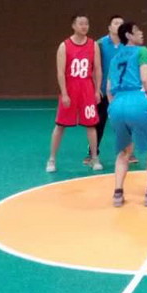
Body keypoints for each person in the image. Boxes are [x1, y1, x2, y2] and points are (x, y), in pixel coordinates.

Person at [106, 22, 147, 206]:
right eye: (137, 31)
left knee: (124, 151)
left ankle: (117, 194)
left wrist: (113, 109)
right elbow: (145, 79)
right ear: (129, 36)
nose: (141, 33)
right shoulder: (141, 51)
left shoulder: (115, 58)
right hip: (136, 100)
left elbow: (108, 88)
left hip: (116, 104)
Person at [47, 14, 102, 173]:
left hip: (87, 89)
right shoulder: (64, 46)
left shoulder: (93, 45)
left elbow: (97, 69)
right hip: (71, 88)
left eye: (86, 23)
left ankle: (94, 158)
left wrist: (97, 90)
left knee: (91, 124)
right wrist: (64, 93)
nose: (84, 26)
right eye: (81, 23)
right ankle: (52, 159)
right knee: (60, 125)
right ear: (73, 26)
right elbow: (60, 72)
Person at [87, 15, 137, 166]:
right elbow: (93, 67)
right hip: (103, 91)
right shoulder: (100, 44)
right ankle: (93, 153)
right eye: (115, 23)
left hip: (122, 91)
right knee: (99, 122)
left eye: (121, 23)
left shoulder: (128, 44)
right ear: (109, 27)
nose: (118, 25)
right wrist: (96, 88)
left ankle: (128, 152)